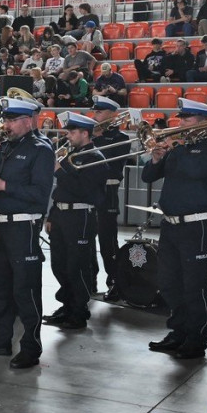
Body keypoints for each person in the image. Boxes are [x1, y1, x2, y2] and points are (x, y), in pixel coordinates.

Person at [0, 97, 55, 369]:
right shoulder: (5, 147)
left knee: (25, 290)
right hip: (0, 225)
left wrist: (3, 185)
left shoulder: (41, 149)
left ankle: (31, 346)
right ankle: (0, 339)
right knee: (1, 288)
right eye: (5, 119)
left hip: (23, 227)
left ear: (28, 121)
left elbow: (41, 195)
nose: (6, 125)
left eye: (12, 120)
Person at [141, 98, 207, 359]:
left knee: (194, 285)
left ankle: (196, 337)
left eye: (187, 119)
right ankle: (178, 331)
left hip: (196, 225)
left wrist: (173, 148)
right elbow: (147, 177)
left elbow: (193, 171)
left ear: (204, 122)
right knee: (169, 283)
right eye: (181, 119)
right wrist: (157, 158)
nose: (180, 124)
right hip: (171, 225)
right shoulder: (178, 149)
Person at [41, 113, 108, 330]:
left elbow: (85, 191)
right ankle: (67, 306)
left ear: (85, 133)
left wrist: (61, 171)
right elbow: (60, 191)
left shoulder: (95, 158)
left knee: (77, 266)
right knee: (59, 264)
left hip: (80, 216)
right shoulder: (72, 155)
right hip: (62, 214)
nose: (68, 136)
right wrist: (52, 215)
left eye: (72, 132)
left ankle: (79, 312)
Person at [89, 97, 132, 294]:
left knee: (107, 240)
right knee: (86, 238)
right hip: (88, 190)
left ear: (112, 114)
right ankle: (89, 279)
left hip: (108, 191)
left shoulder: (121, 138)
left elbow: (110, 165)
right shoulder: (90, 135)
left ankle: (115, 279)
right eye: (95, 111)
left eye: (99, 112)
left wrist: (95, 139)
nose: (95, 115)